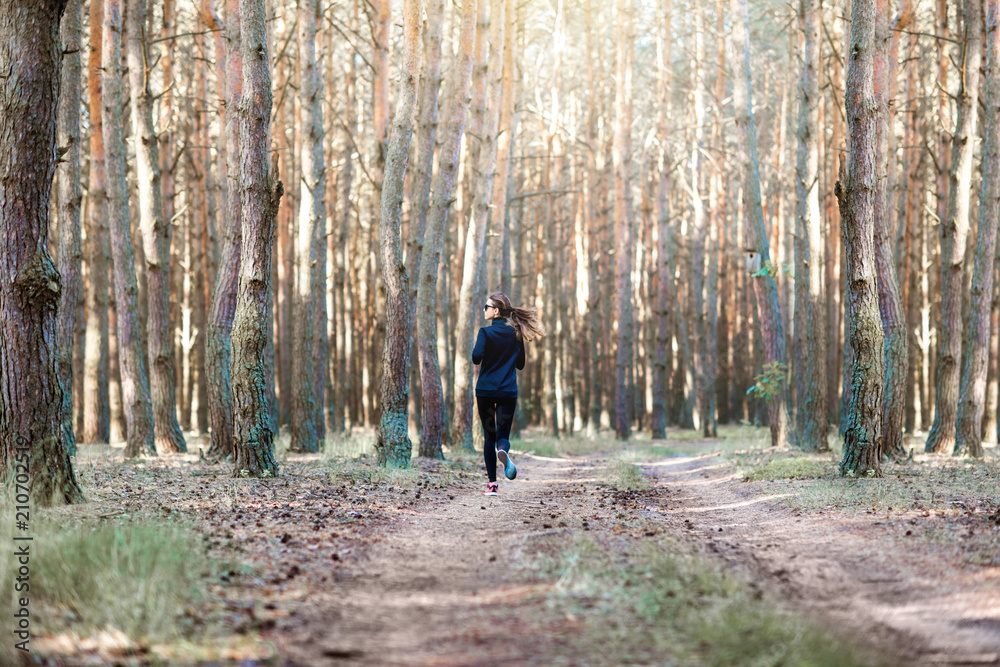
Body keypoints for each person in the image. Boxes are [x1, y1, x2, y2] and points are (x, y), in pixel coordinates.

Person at [472, 292, 545, 496]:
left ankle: (492, 485)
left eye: (486, 307)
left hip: (485, 391)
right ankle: (503, 451)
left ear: (495, 311)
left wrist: (487, 352)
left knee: (489, 437)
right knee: (502, 436)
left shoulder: (484, 333)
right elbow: (520, 365)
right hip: (507, 392)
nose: (484, 310)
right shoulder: (516, 334)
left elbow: (476, 358)